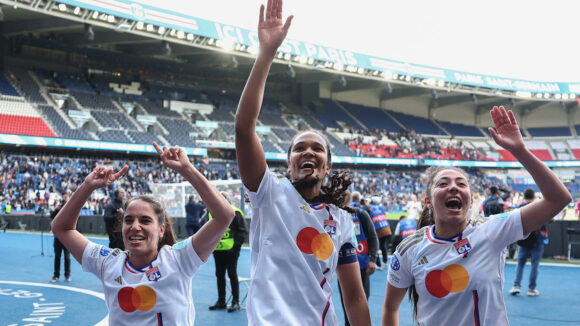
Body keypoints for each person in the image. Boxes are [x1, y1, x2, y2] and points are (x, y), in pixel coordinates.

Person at [234, 1, 371, 324]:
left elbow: (353, 295)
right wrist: (267, 53)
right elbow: (243, 126)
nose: (308, 152)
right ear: (289, 163)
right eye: (299, 149)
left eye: (317, 150)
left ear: (326, 167)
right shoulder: (268, 192)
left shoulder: (342, 220)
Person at [382, 106, 571, 325]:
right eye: (443, 184)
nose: (454, 187)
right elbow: (389, 307)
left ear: (471, 200)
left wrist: (520, 151)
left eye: (461, 184)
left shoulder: (492, 231)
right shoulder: (409, 249)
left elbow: (558, 199)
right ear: (428, 202)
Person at [51, 142, 235, 325]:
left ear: (161, 229)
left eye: (145, 220)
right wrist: (87, 186)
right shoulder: (108, 263)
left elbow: (224, 215)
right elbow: (62, 228)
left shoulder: (179, 259)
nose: (135, 227)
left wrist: (186, 168)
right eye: (129, 220)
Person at [338, 190, 378, 326]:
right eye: (338, 196)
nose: (341, 199)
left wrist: (373, 259)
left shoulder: (360, 214)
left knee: (361, 304)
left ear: (348, 198)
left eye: (343, 197)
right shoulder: (333, 214)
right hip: (343, 268)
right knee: (346, 307)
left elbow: (373, 237)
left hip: (362, 266)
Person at [209, 191, 248, 313]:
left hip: (231, 251)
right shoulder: (213, 213)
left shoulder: (236, 212)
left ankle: (235, 302)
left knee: (232, 274)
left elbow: (242, 231)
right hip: (218, 250)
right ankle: (221, 301)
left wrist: (235, 247)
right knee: (219, 274)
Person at [509, 188, 548, 296]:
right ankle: (531, 289)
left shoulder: (519, 208)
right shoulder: (539, 207)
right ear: (534, 196)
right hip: (537, 240)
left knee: (520, 264)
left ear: (524, 196)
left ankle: (516, 286)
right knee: (535, 265)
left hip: (523, 240)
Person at [50, 196, 71, 283]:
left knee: (67, 257)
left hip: (66, 238)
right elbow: (51, 217)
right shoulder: (58, 210)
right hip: (58, 237)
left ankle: (67, 275)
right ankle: (56, 275)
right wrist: (56, 209)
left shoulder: (71, 210)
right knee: (57, 257)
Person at [370, 196, 392, 269]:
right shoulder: (381, 208)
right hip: (386, 228)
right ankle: (385, 262)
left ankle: (379, 265)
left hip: (378, 229)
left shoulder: (370, 208)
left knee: (375, 246)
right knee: (383, 246)